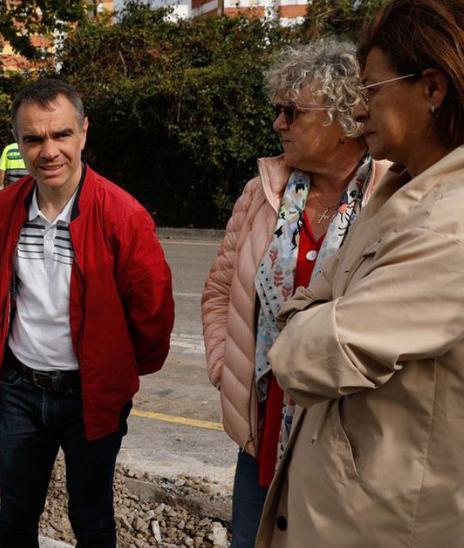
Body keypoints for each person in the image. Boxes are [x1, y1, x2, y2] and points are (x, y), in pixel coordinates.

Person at [256, 0, 464, 545]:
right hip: (340, 486)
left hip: (389, 518)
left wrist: (308, 324)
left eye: (369, 90)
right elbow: (281, 306)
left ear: (433, 89)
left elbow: (310, 357)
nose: (360, 109)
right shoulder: (405, 191)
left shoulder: (447, 223)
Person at [199, 38, 390, 548]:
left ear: (345, 117)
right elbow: (219, 289)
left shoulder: (392, 197)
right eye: (277, 110)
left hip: (344, 446)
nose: (278, 124)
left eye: (292, 112)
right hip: (261, 434)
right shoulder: (262, 194)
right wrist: (226, 366)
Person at [0, 79, 174, 547]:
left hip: (90, 395)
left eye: (61, 135)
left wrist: (117, 368)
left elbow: (153, 311)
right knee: (14, 518)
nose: (49, 151)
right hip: (21, 391)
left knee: (90, 519)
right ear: (19, 143)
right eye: (33, 138)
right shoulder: (8, 206)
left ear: (83, 133)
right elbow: (6, 285)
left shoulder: (122, 215)